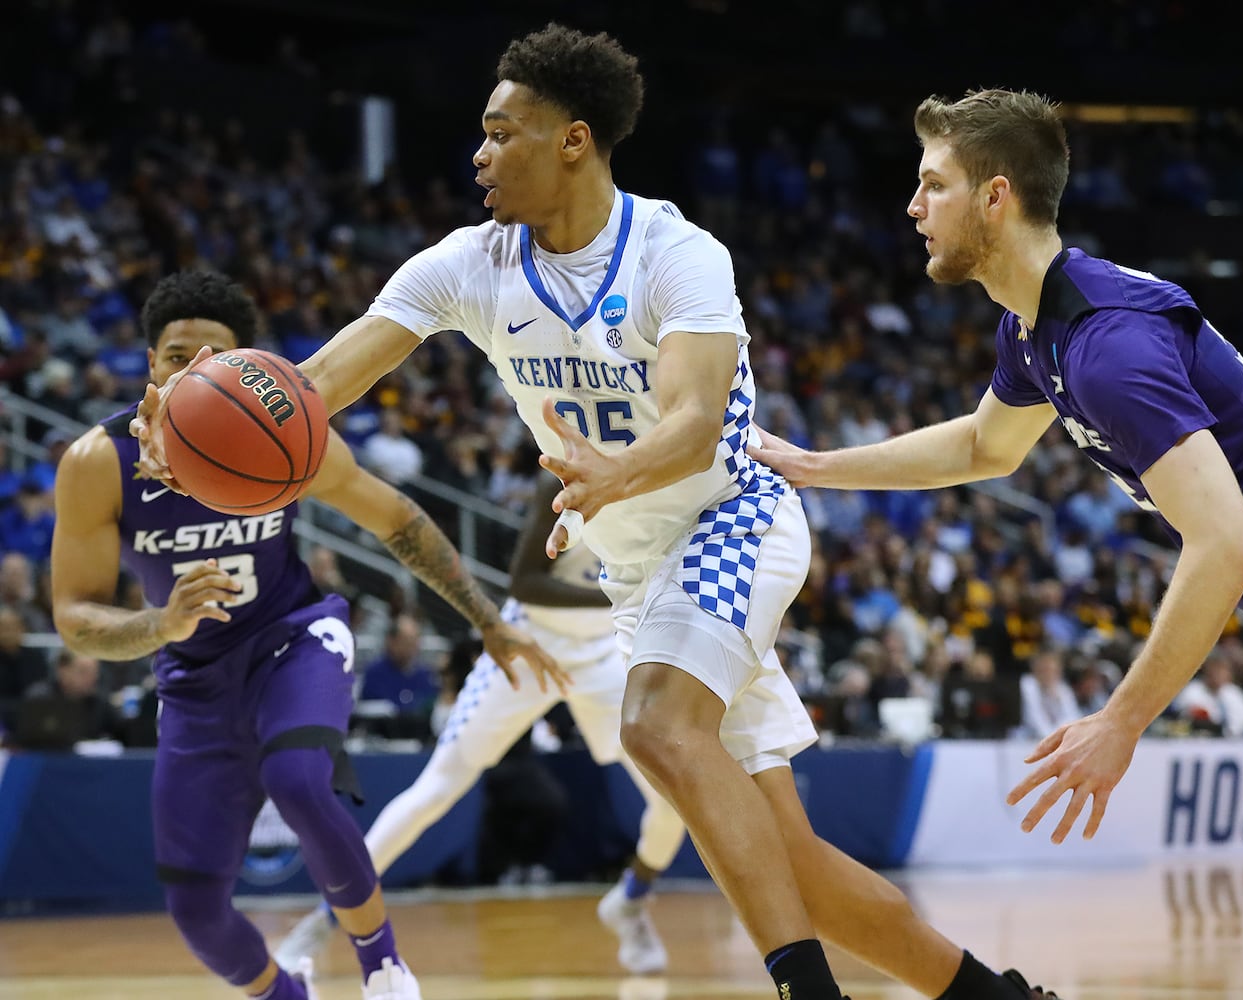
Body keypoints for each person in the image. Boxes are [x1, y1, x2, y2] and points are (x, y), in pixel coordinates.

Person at [134, 26, 1057, 1000]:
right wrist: (192, 435)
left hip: (730, 520)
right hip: (637, 573)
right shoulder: (464, 264)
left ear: (572, 140)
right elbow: (316, 384)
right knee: (795, 865)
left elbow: (699, 420)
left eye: (502, 133)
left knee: (656, 723)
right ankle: (995, 998)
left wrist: (619, 469)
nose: (479, 155)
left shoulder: (675, 253)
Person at [749, 87, 1243, 938]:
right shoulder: (1035, 326)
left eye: (934, 184)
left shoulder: (1110, 349)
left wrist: (1120, 724)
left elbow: (1225, 545)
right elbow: (983, 448)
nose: (912, 205)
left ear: (996, 197)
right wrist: (820, 468)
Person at [52, 271, 564, 1000]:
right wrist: (159, 625)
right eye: (174, 355)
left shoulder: (281, 435)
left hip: (292, 637)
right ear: (150, 364)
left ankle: (384, 968)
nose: (190, 370)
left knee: (297, 778)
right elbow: (74, 616)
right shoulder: (98, 464)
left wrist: (488, 621)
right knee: (195, 909)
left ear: (239, 366)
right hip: (194, 681)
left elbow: (400, 520)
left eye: (211, 356)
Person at [278, 473, 688, 975]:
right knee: (437, 789)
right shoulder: (562, 475)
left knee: (673, 798)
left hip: (603, 652)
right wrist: (619, 598)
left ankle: (630, 900)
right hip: (529, 639)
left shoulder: (664, 475)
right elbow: (525, 582)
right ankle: (324, 919)